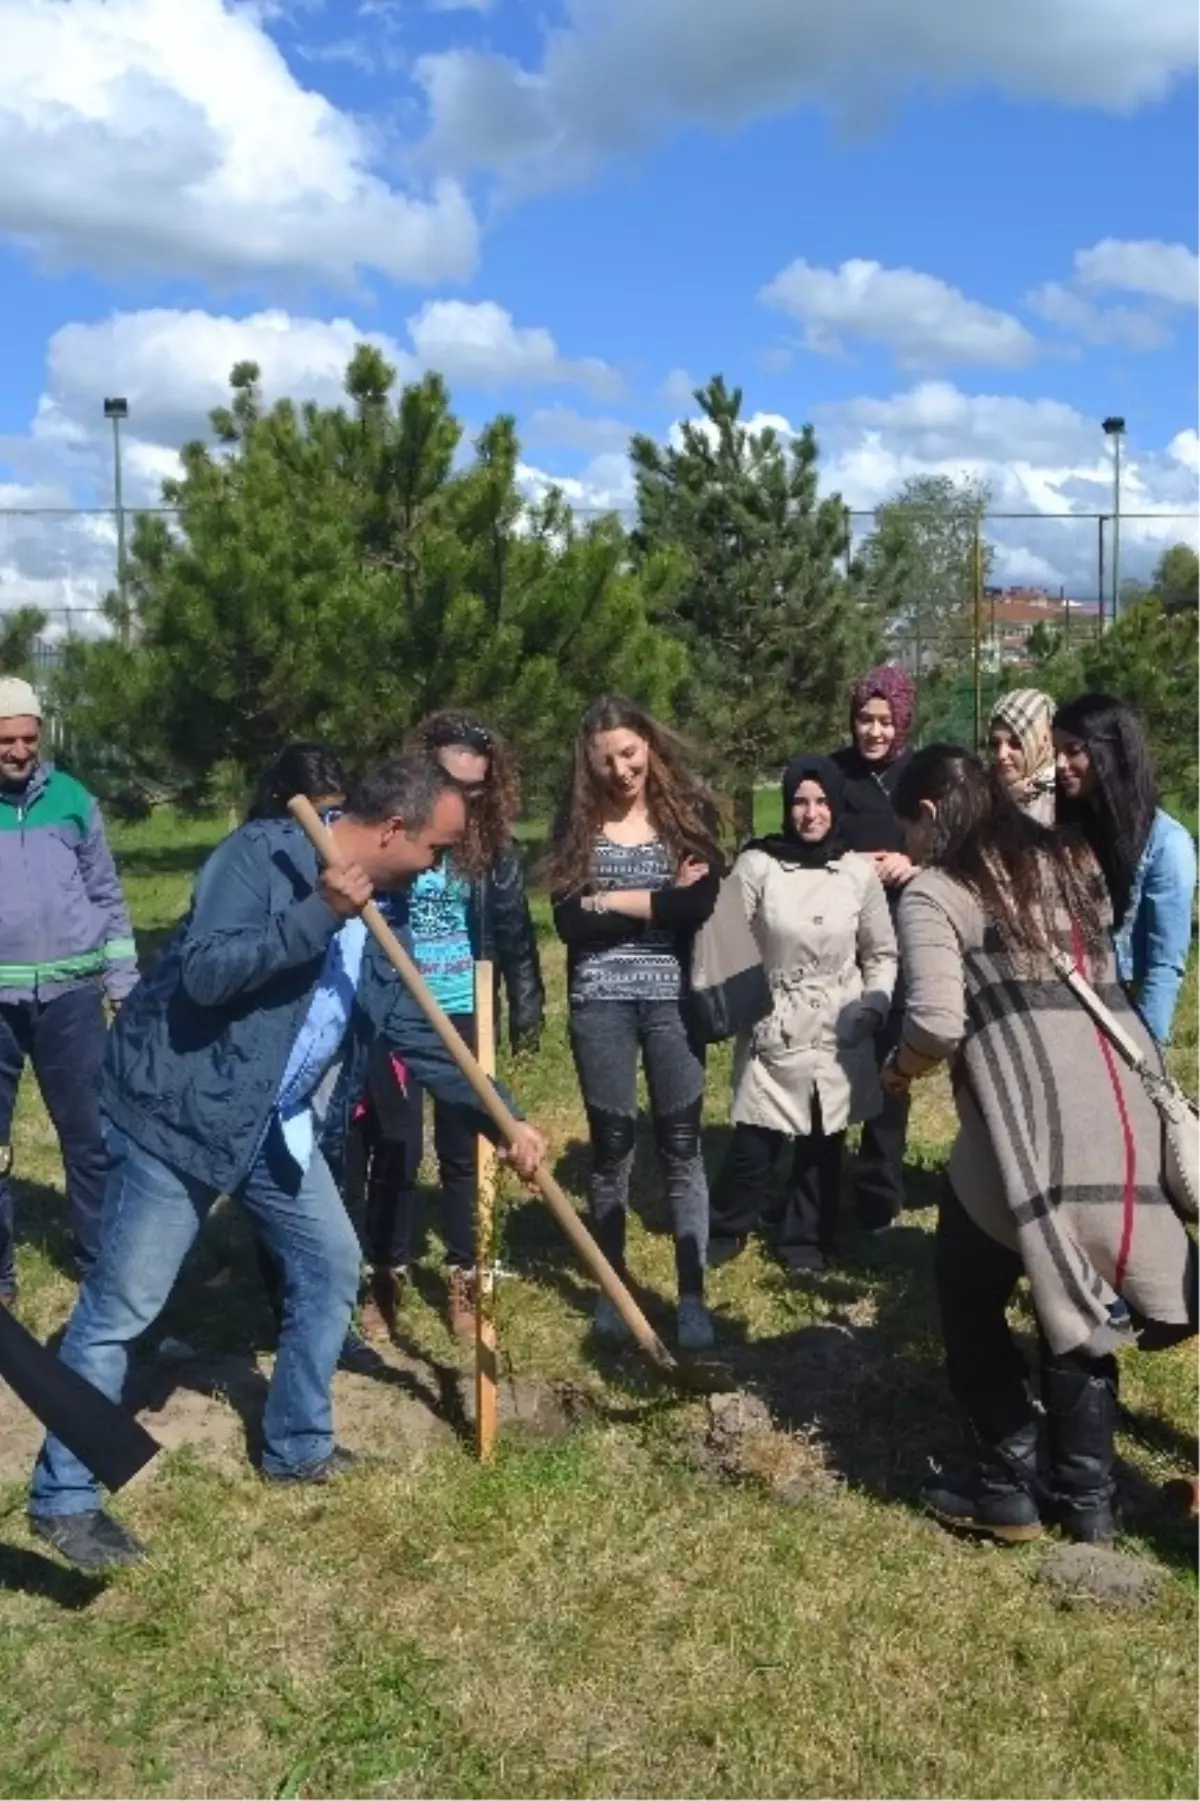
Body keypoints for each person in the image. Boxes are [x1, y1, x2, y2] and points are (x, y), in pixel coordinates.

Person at [27, 753, 546, 1572]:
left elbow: (413, 1030)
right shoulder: (262, 858)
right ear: (394, 830)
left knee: (331, 1261)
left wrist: (501, 1113)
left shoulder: (393, 906)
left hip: (271, 1123)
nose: (440, 867)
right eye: (438, 850)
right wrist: (317, 914)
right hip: (181, 1112)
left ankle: (296, 1444)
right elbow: (203, 973)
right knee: (123, 1306)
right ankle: (62, 1496)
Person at [887, 745, 1197, 1545]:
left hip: (1024, 1124)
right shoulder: (1067, 858)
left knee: (966, 1286)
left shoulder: (935, 888)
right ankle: (1089, 1505)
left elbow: (935, 1022)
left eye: (908, 830)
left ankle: (1007, 1481)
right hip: (1119, 1110)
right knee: (1081, 1290)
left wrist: (898, 1070)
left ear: (925, 816)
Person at [358, 713, 545, 1341]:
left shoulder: (489, 847)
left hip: (463, 1004)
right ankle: (385, 1272)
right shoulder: (396, 835)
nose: (463, 798)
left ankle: (469, 1273)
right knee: (397, 1145)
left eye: (476, 788)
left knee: (467, 1147)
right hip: (396, 1008)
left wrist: (525, 1002)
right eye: (451, 781)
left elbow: (514, 929)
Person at [549, 697, 722, 1351]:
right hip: (601, 1004)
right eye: (607, 760)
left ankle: (692, 1296)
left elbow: (700, 901)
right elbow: (570, 921)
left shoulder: (686, 812)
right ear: (588, 765)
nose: (623, 769)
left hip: (675, 1002)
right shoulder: (576, 823)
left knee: (682, 1147)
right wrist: (658, 902)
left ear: (649, 742)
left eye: (630, 752)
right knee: (612, 1148)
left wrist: (610, 898)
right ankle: (610, 1286)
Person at [707, 757, 897, 1275]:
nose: (811, 814)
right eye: (800, 802)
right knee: (755, 1141)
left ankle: (805, 1240)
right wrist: (740, 1001)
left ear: (836, 807)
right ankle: (725, 1225)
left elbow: (881, 953)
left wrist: (875, 1004)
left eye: (821, 802)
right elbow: (723, 940)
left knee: (823, 1142)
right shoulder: (759, 865)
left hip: (838, 1023)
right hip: (777, 1019)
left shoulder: (858, 873)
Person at [0, 675, 138, 1307]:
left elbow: (107, 895)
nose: (20, 751)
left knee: (89, 1137)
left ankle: (98, 1264)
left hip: (73, 999)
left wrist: (121, 983)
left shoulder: (74, 800)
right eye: (7, 739)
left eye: (29, 737)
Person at [830, 664, 918, 1233]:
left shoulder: (921, 776)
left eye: (885, 720)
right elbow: (806, 833)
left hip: (906, 938)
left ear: (903, 721)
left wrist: (912, 864)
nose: (875, 731)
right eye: (865, 718)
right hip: (841, 940)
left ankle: (878, 1194)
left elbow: (950, 841)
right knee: (837, 1060)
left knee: (890, 1067)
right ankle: (819, 1183)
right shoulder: (833, 773)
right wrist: (852, 863)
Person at [1054, 693, 1196, 1047]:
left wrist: (1144, 1053)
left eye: (1073, 750)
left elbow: (1164, 966)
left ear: (1110, 752)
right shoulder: (1065, 833)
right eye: (1055, 750)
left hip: (1123, 1022)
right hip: (1062, 1016)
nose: (1059, 764)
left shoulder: (1166, 845)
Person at [986, 689, 1057, 824]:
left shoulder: (1060, 798)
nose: (1001, 755)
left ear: (1044, 741)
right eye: (994, 744)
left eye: (1016, 744)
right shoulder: (984, 791)